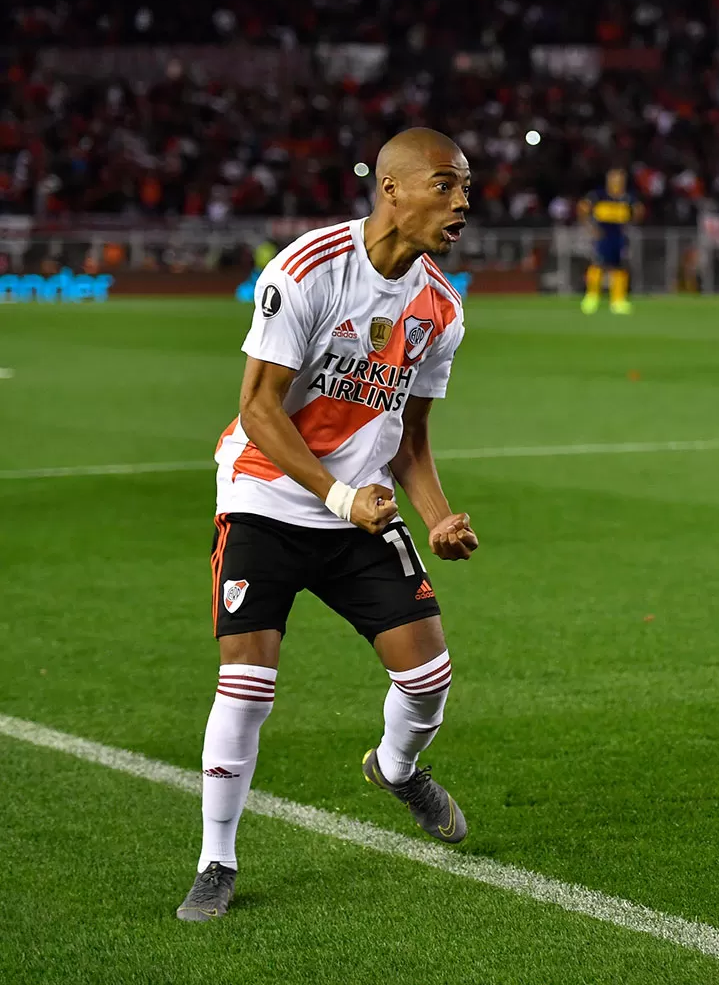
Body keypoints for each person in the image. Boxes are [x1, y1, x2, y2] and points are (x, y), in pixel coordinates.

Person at [176, 127, 479, 921]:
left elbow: (410, 440)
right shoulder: (309, 269)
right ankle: (217, 858)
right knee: (246, 685)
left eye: (465, 188)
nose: (463, 204)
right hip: (265, 500)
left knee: (428, 679)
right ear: (392, 189)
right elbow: (257, 408)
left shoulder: (440, 309)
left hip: (363, 509)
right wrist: (338, 498)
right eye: (445, 186)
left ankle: (397, 768)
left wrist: (439, 518)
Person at [580, 168, 643, 315]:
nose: (617, 182)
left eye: (620, 179)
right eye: (614, 179)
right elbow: (582, 208)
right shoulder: (598, 196)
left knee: (619, 268)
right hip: (603, 236)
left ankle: (618, 300)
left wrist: (632, 223)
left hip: (620, 237)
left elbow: (639, 210)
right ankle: (592, 297)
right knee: (598, 265)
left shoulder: (627, 198)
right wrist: (590, 228)